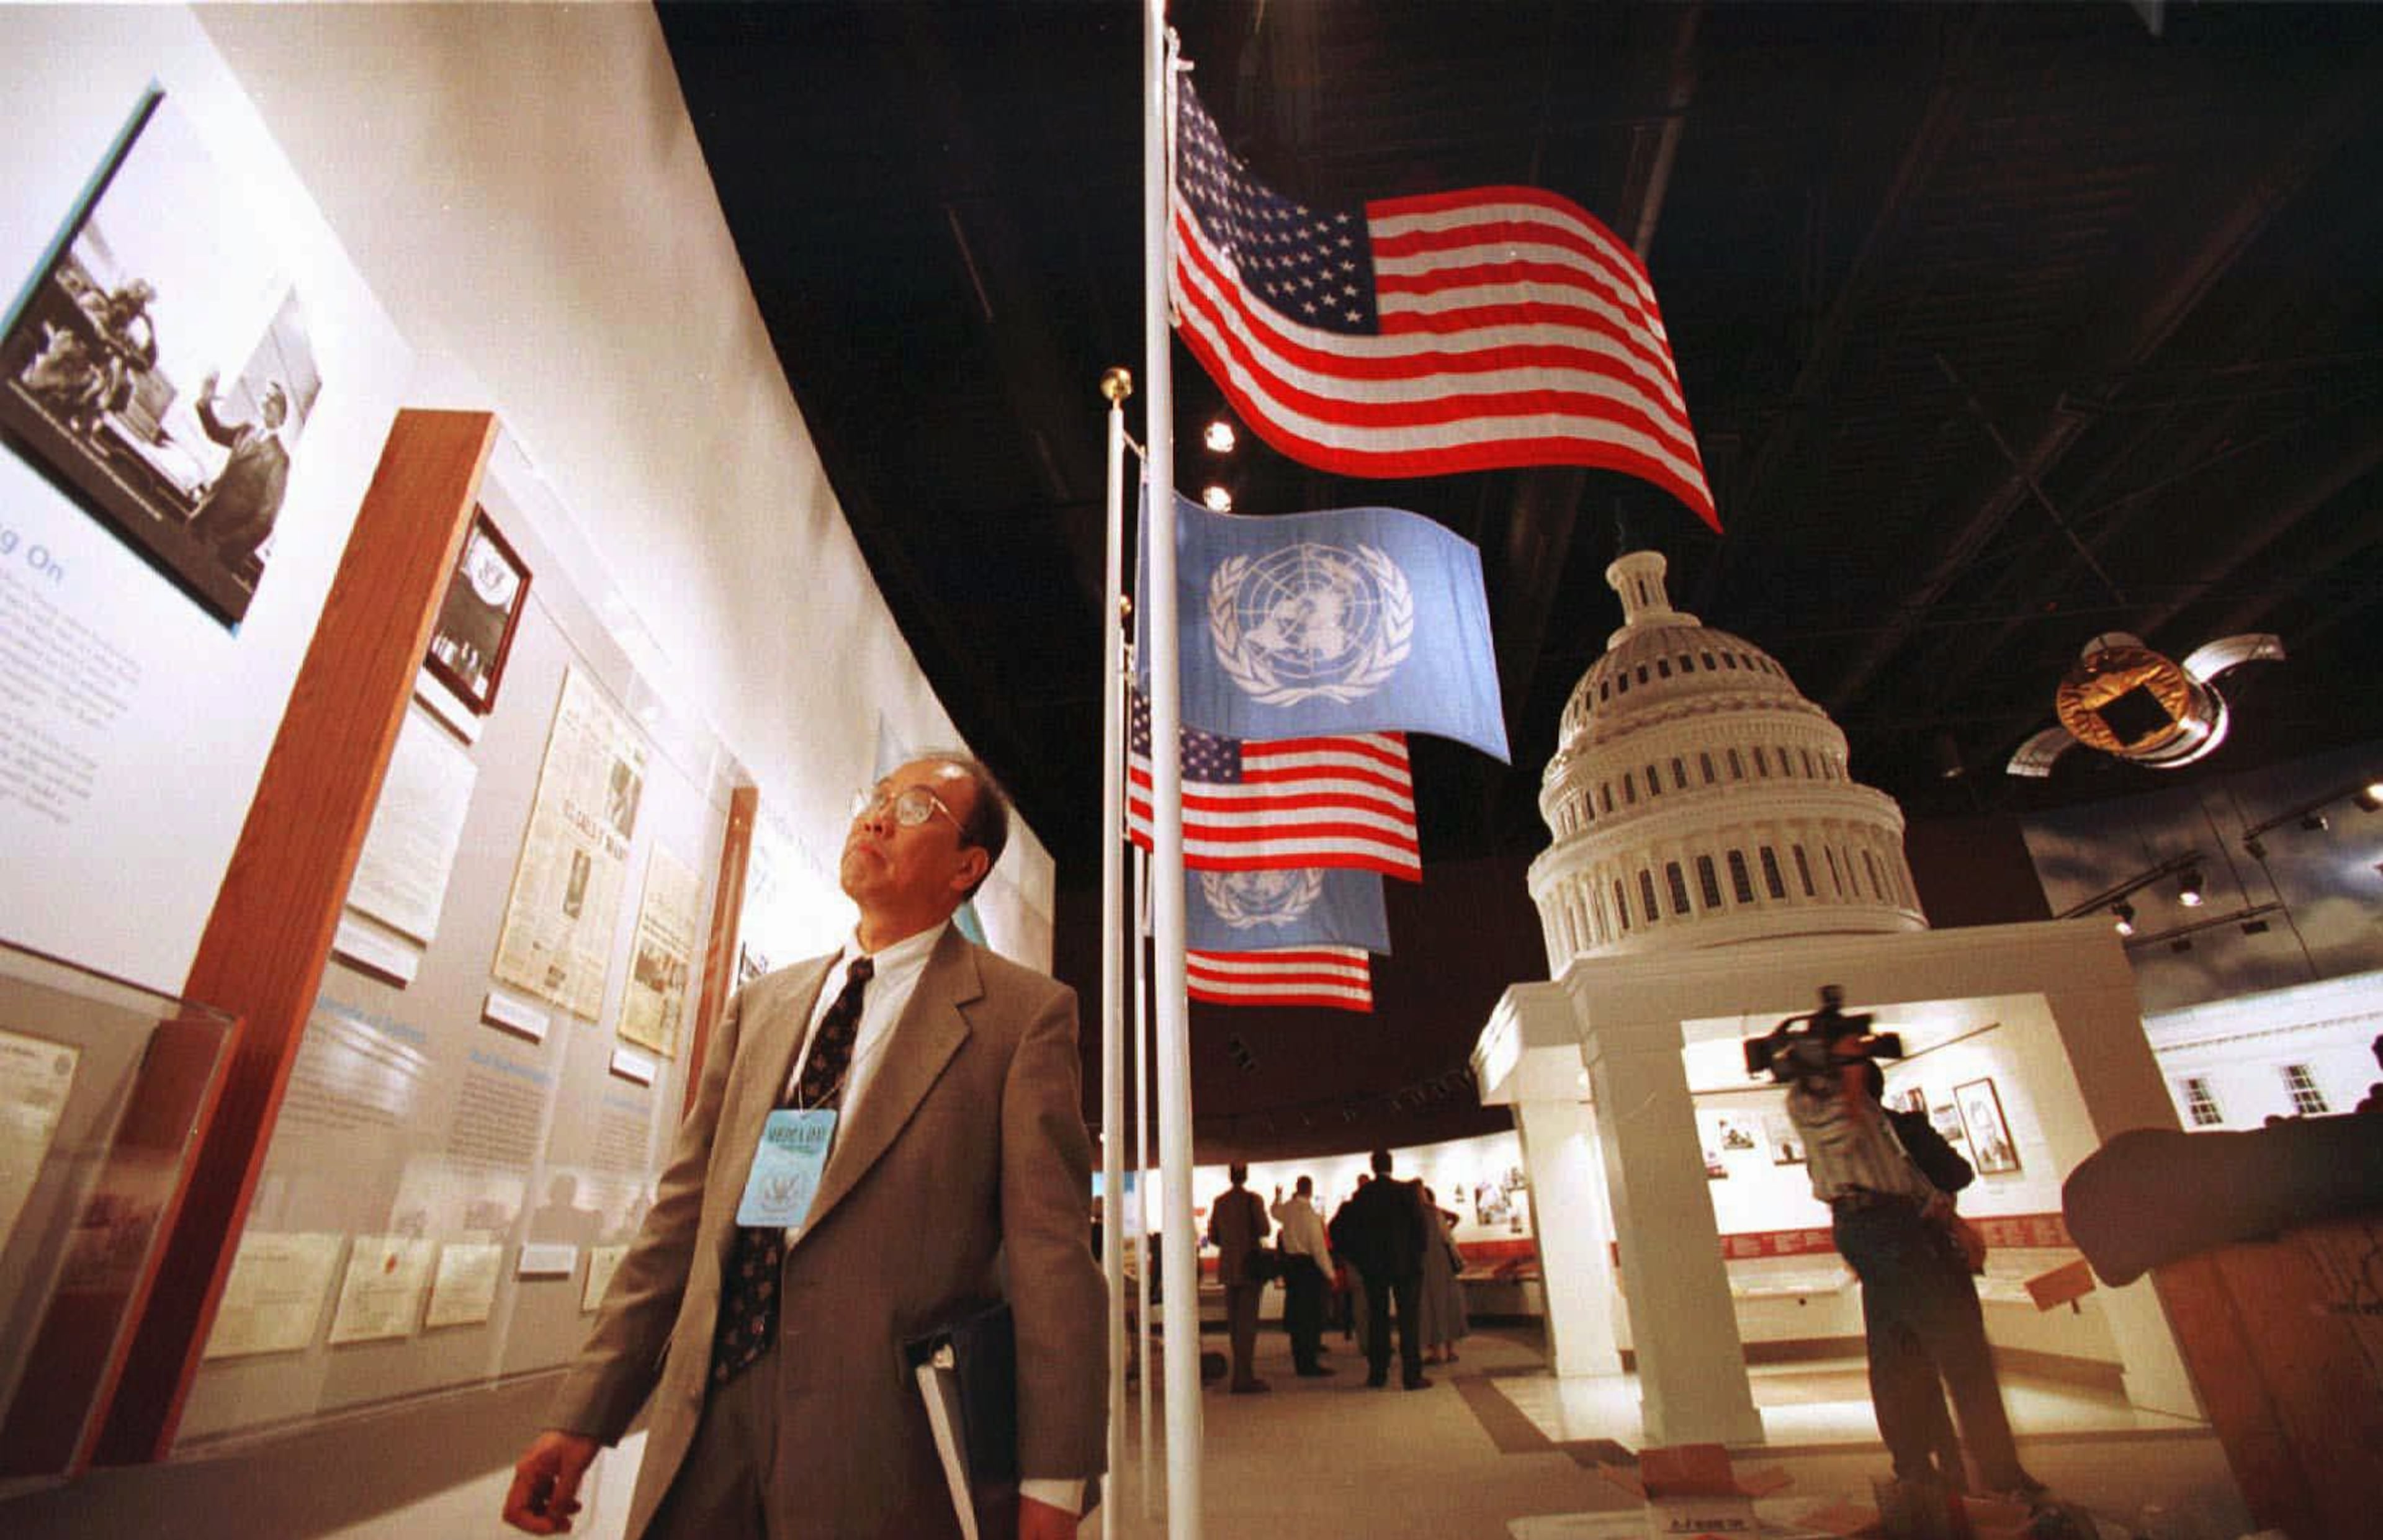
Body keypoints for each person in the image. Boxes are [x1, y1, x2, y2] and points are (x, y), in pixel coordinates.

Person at [503, 755, 1105, 1540]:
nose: (880, 816)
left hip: (879, 1452)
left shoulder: (1021, 1019)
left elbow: (1052, 1264)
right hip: (706, 1427)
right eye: (877, 796)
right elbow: (677, 1229)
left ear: (968, 866)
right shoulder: (763, 1006)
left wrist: (1052, 1490)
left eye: (918, 807)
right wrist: (584, 1414)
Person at [1785, 1039, 2045, 1503]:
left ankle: (1926, 1470)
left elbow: (1920, 1177)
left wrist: (1939, 1211)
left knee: (1901, 1351)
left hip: (1897, 1228)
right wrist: (1849, 1075)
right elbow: (1844, 1143)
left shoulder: (1877, 1120)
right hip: (1883, 1231)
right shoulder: (1818, 1106)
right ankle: (1984, 1472)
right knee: (1954, 1348)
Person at [1329, 1148, 1429, 1390]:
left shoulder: (1363, 1195)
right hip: (1405, 1266)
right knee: (1409, 1320)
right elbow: (1420, 1229)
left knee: (1377, 1319)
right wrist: (1416, 1256)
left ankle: (1378, 1374)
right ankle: (1412, 1375)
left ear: (1373, 1167)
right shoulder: (1405, 1192)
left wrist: (1356, 1258)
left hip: (1374, 1267)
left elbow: (1337, 1229)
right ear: (1391, 1166)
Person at [186, 370, 292, 573]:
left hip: (221, 546)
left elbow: (266, 520)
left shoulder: (280, 460)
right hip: (201, 520)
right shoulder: (246, 431)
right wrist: (205, 404)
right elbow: (215, 433)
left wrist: (228, 546)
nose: (265, 401)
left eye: (272, 400)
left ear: (281, 415)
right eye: (265, 396)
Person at [1206, 1162, 1272, 1393]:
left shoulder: (1220, 1202)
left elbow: (1213, 1236)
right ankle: (1244, 1376)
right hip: (1249, 1268)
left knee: (1234, 1325)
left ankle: (1241, 1374)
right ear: (1245, 1176)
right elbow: (1265, 1229)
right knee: (1248, 1324)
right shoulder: (1253, 1200)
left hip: (1228, 1268)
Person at [1269, 1175, 1335, 1377]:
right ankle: (1309, 1363)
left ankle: (1300, 1359)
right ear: (1311, 1190)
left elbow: (1274, 1211)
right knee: (1311, 1316)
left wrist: (1278, 1196)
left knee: (1297, 1314)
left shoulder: (1288, 1209)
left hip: (1292, 1266)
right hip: (1309, 1268)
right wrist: (1330, 1273)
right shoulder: (1311, 1216)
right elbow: (1318, 1249)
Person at [1415, 1184, 1468, 1366]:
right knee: (1447, 1304)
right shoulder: (1436, 1213)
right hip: (1442, 1265)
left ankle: (1436, 1352)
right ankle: (1450, 1350)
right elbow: (1448, 1239)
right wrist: (1459, 1260)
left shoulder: (1414, 1216)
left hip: (1425, 1267)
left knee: (1429, 1307)